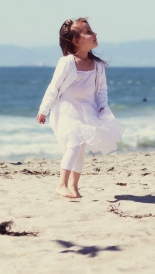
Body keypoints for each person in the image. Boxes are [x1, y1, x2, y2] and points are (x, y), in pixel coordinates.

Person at [36, 18, 124, 198]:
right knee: (74, 144)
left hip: (88, 111)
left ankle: (74, 186)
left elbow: (101, 90)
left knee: (81, 150)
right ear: (76, 41)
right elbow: (54, 87)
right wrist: (43, 109)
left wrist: (102, 107)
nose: (95, 34)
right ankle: (61, 184)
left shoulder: (97, 66)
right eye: (89, 32)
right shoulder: (67, 62)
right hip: (68, 110)